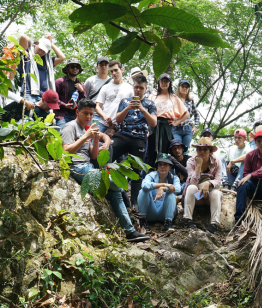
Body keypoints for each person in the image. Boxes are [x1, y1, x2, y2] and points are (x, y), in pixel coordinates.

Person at [61, 98, 148, 242]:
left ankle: (130, 232)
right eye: (85, 114)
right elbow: (66, 151)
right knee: (117, 185)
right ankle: (128, 208)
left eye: (91, 114)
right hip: (76, 167)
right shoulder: (70, 127)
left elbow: (93, 155)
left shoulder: (85, 129)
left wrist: (95, 141)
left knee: (114, 193)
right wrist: (86, 137)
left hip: (88, 167)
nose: (88, 117)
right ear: (77, 112)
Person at [112, 75, 157, 208]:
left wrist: (142, 109)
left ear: (145, 88)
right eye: (136, 87)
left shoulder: (150, 104)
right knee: (108, 158)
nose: (138, 90)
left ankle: (134, 203)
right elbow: (118, 119)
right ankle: (121, 193)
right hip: (123, 135)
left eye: (141, 88)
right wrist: (127, 108)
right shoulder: (125, 101)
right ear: (133, 86)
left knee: (136, 170)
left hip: (139, 139)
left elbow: (153, 123)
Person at [147, 73, 189, 168]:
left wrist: (176, 123)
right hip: (154, 124)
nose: (164, 83)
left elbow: (186, 113)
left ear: (169, 83)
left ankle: (163, 175)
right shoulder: (153, 95)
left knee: (165, 152)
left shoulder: (173, 97)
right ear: (159, 82)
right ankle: (148, 174)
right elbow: (146, 110)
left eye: (166, 81)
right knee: (151, 151)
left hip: (167, 125)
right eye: (162, 81)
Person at [183, 137, 222, 234]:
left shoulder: (217, 161)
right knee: (191, 187)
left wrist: (208, 183)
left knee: (216, 193)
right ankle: (187, 221)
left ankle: (214, 225)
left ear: (210, 151)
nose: (202, 152)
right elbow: (192, 182)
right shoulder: (191, 161)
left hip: (210, 196)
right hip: (197, 197)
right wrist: (198, 166)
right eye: (199, 149)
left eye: (205, 149)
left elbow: (218, 180)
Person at [138, 154, 181, 233]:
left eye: (165, 165)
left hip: (164, 212)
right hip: (150, 211)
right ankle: (143, 221)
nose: (162, 167)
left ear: (170, 167)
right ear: (157, 166)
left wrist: (163, 189)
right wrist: (163, 185)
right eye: (160, 164)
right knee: (143, 191)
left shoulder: (174, 178)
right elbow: (144, 185)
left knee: (171, 193)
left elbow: (178, 189)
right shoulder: (151, 175)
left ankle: (168, 223)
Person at [17, 35, 66, 103]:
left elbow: (62, 58)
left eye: (44, 51)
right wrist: (31, 43)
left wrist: (50, 44)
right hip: (29, 93)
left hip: (43, 96)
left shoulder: (47, 61)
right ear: (36, 44)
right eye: (40, 49)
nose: (41, 52)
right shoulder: (27, 54)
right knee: (29, 113)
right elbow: (23, 37)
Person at [95, 60, 133, 133]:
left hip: (121, 125)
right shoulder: (105, 87)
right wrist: (104, 116)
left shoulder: (129, 88)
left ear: (121, 70)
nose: (114, 73)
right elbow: (97, 107)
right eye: (111, 71)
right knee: (97, 143)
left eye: (116, 70)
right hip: (104, 124)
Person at [55, 58, 86, 128]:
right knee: (61, 136)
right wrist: (64, 105)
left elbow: (84, 103)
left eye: (77, 67)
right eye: (72, 66)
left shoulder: (81, 85)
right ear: (67, 68)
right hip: (62, 116)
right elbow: (53, 99)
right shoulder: (60, 82)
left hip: (76, 117)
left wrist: (82, 91)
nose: (75, 68)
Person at [173, 79, 200, 153]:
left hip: (188, 129)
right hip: (176, 129)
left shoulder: (191, 101)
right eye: (183, 86)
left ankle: (184, 165)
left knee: (184, 152)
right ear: (179, 87)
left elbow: (196, 114)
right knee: (176, 150)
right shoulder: (174, 99)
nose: (184, 88)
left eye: (186, 87)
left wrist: (195, 126)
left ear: (188, 89)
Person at [84, 56, 111, 121]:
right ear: (97, 67)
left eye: (105, 65)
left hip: (109, 115)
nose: (103, 67)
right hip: (93, 115)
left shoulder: (112, 82)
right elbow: (84, 98)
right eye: (101, 65)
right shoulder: (90, 81)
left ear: (108, 67)